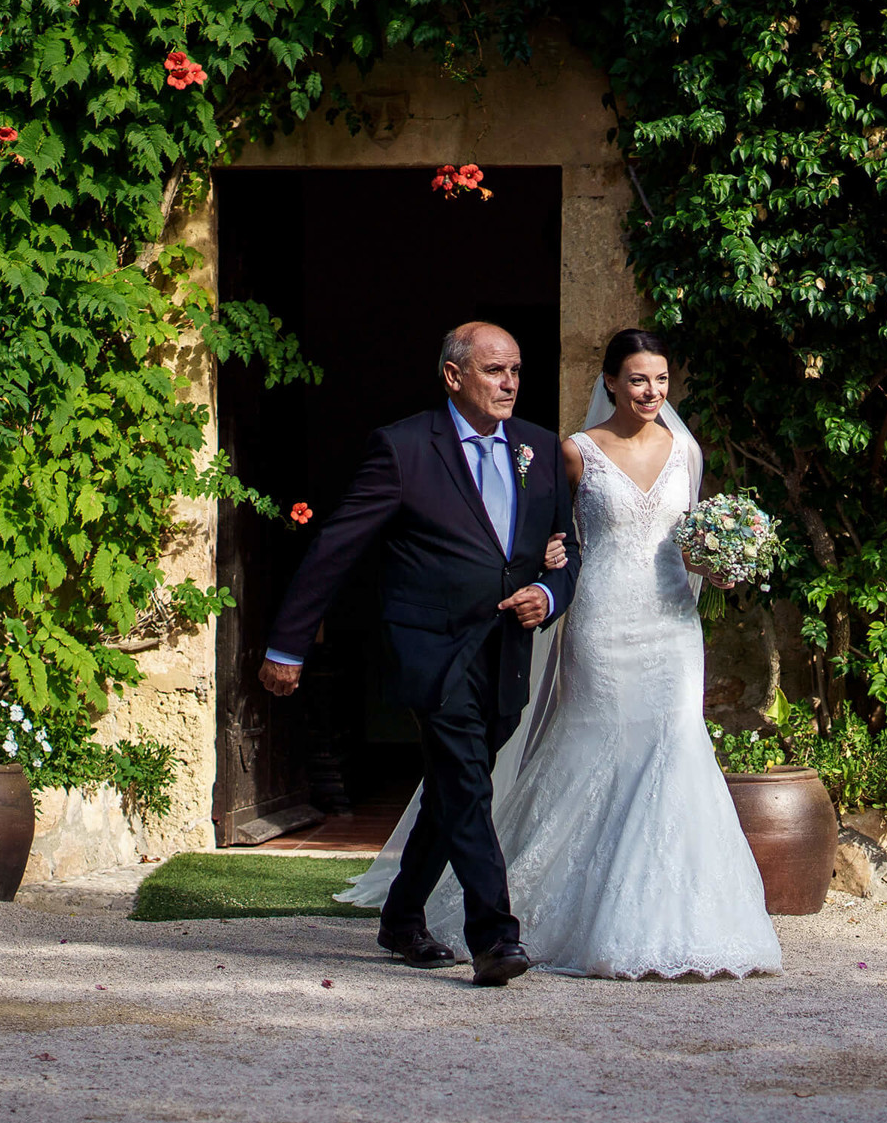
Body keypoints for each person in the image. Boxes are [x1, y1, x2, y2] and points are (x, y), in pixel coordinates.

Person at [340, 329, 783, 980]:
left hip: (671, 627)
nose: (651, 392)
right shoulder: (574, 453)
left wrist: (718, 564)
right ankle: (522, 908)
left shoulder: (686, 450)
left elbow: (686, 540)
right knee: (592, 749)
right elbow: (535, 528)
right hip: (602, 621)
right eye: (637, 379)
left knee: (677, 747)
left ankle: (676, 919)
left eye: (660, 380)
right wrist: (546, 565)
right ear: (609, 382)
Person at [259, 322, 579, 987]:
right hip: (430, 649)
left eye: (516, 369)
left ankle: (401, 915)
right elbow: (336, 546)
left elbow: (564, 549)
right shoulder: (403, 448)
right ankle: (495, 936)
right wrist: (289, 645)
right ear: (453, 376)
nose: (511, 382)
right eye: (495, 370)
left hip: (504, 652)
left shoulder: (541, 450)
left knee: (452, 787)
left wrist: (548, 594)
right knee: (466, 780)